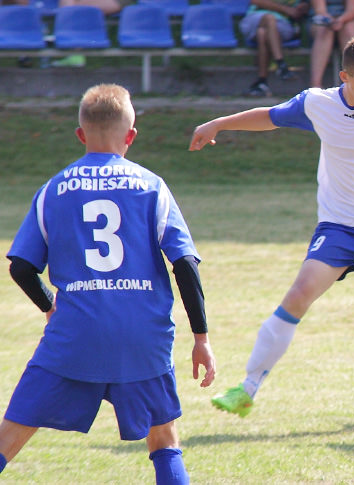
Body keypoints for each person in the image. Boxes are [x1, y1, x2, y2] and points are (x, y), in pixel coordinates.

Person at [189, 36, 354, 422]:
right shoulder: (318, 103)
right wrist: (219, 124)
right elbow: (270, 116)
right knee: (298, 295)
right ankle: (246, 389)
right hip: (340, 224)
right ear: (344, 76)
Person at [0, 84, 216, 483]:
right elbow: (184, 263)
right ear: (130, 136)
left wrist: (50, 306)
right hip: (141, 336)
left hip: (74, 335)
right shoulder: (152, 187)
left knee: (11, 433)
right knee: (164, 438)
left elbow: (21, 268)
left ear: (80, 135)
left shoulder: (54, 190)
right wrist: (200, 336)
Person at [239, 0, 311, 96]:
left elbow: (304, 7)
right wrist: (286, 9)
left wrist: (303, 7)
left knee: (262, 33)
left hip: (283, 24)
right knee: (269, 18)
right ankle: (281, 64)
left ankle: (262, 82)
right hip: (255, 20)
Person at [309, 0, 354, 88]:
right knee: (324, 31)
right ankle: (315, 85)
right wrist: (330, 21)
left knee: (348, 30)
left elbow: (351, 11)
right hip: (322, 19)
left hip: (350, 18)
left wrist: (340, 20)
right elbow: (320, 10)